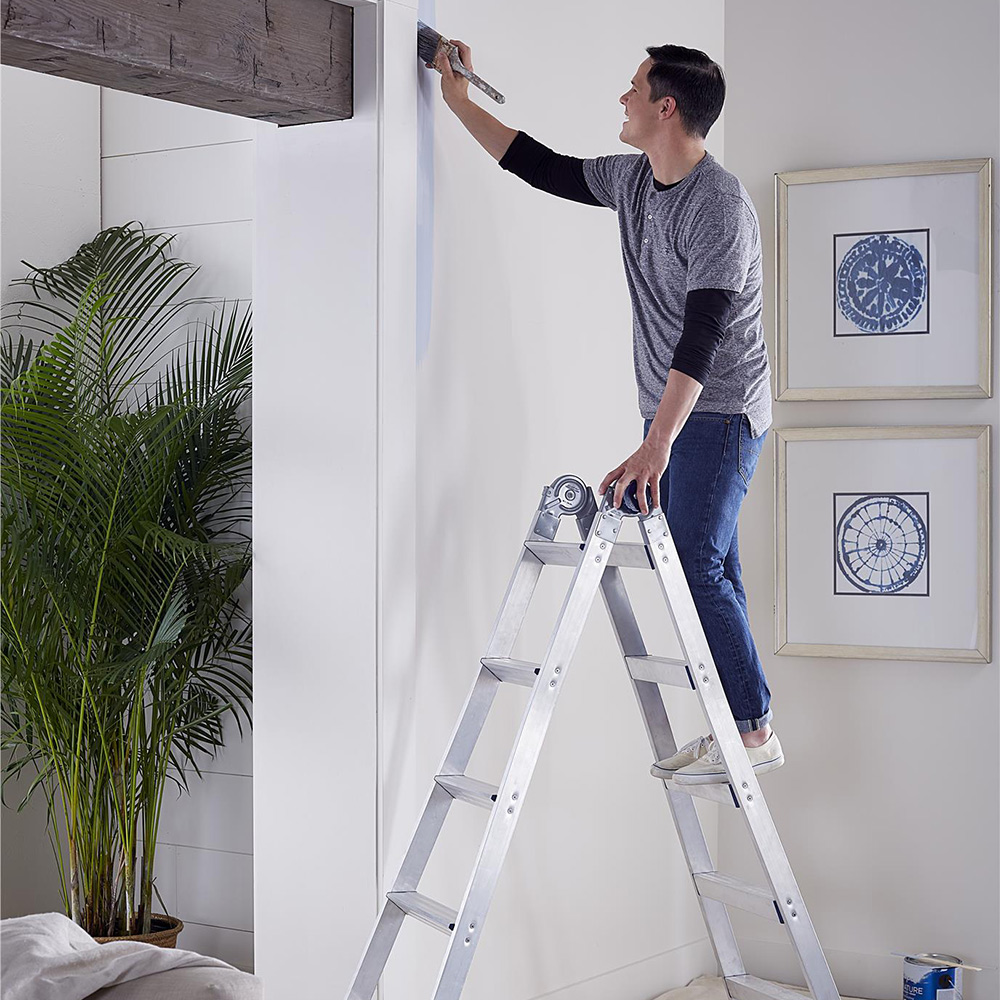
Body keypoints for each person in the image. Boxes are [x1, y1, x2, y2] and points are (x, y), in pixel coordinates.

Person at [429, 40, 782, 784]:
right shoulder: (632, 180)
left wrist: (655, 444)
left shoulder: (720, 206)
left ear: (667, 107)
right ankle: (736, 725)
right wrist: (459, 102)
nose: (620, 101)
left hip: (718, 411)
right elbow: (543, 166)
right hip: (678, 415)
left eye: (632, 90)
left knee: (695, 563)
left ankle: (752, 733)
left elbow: (704, 333)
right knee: (712, 566)